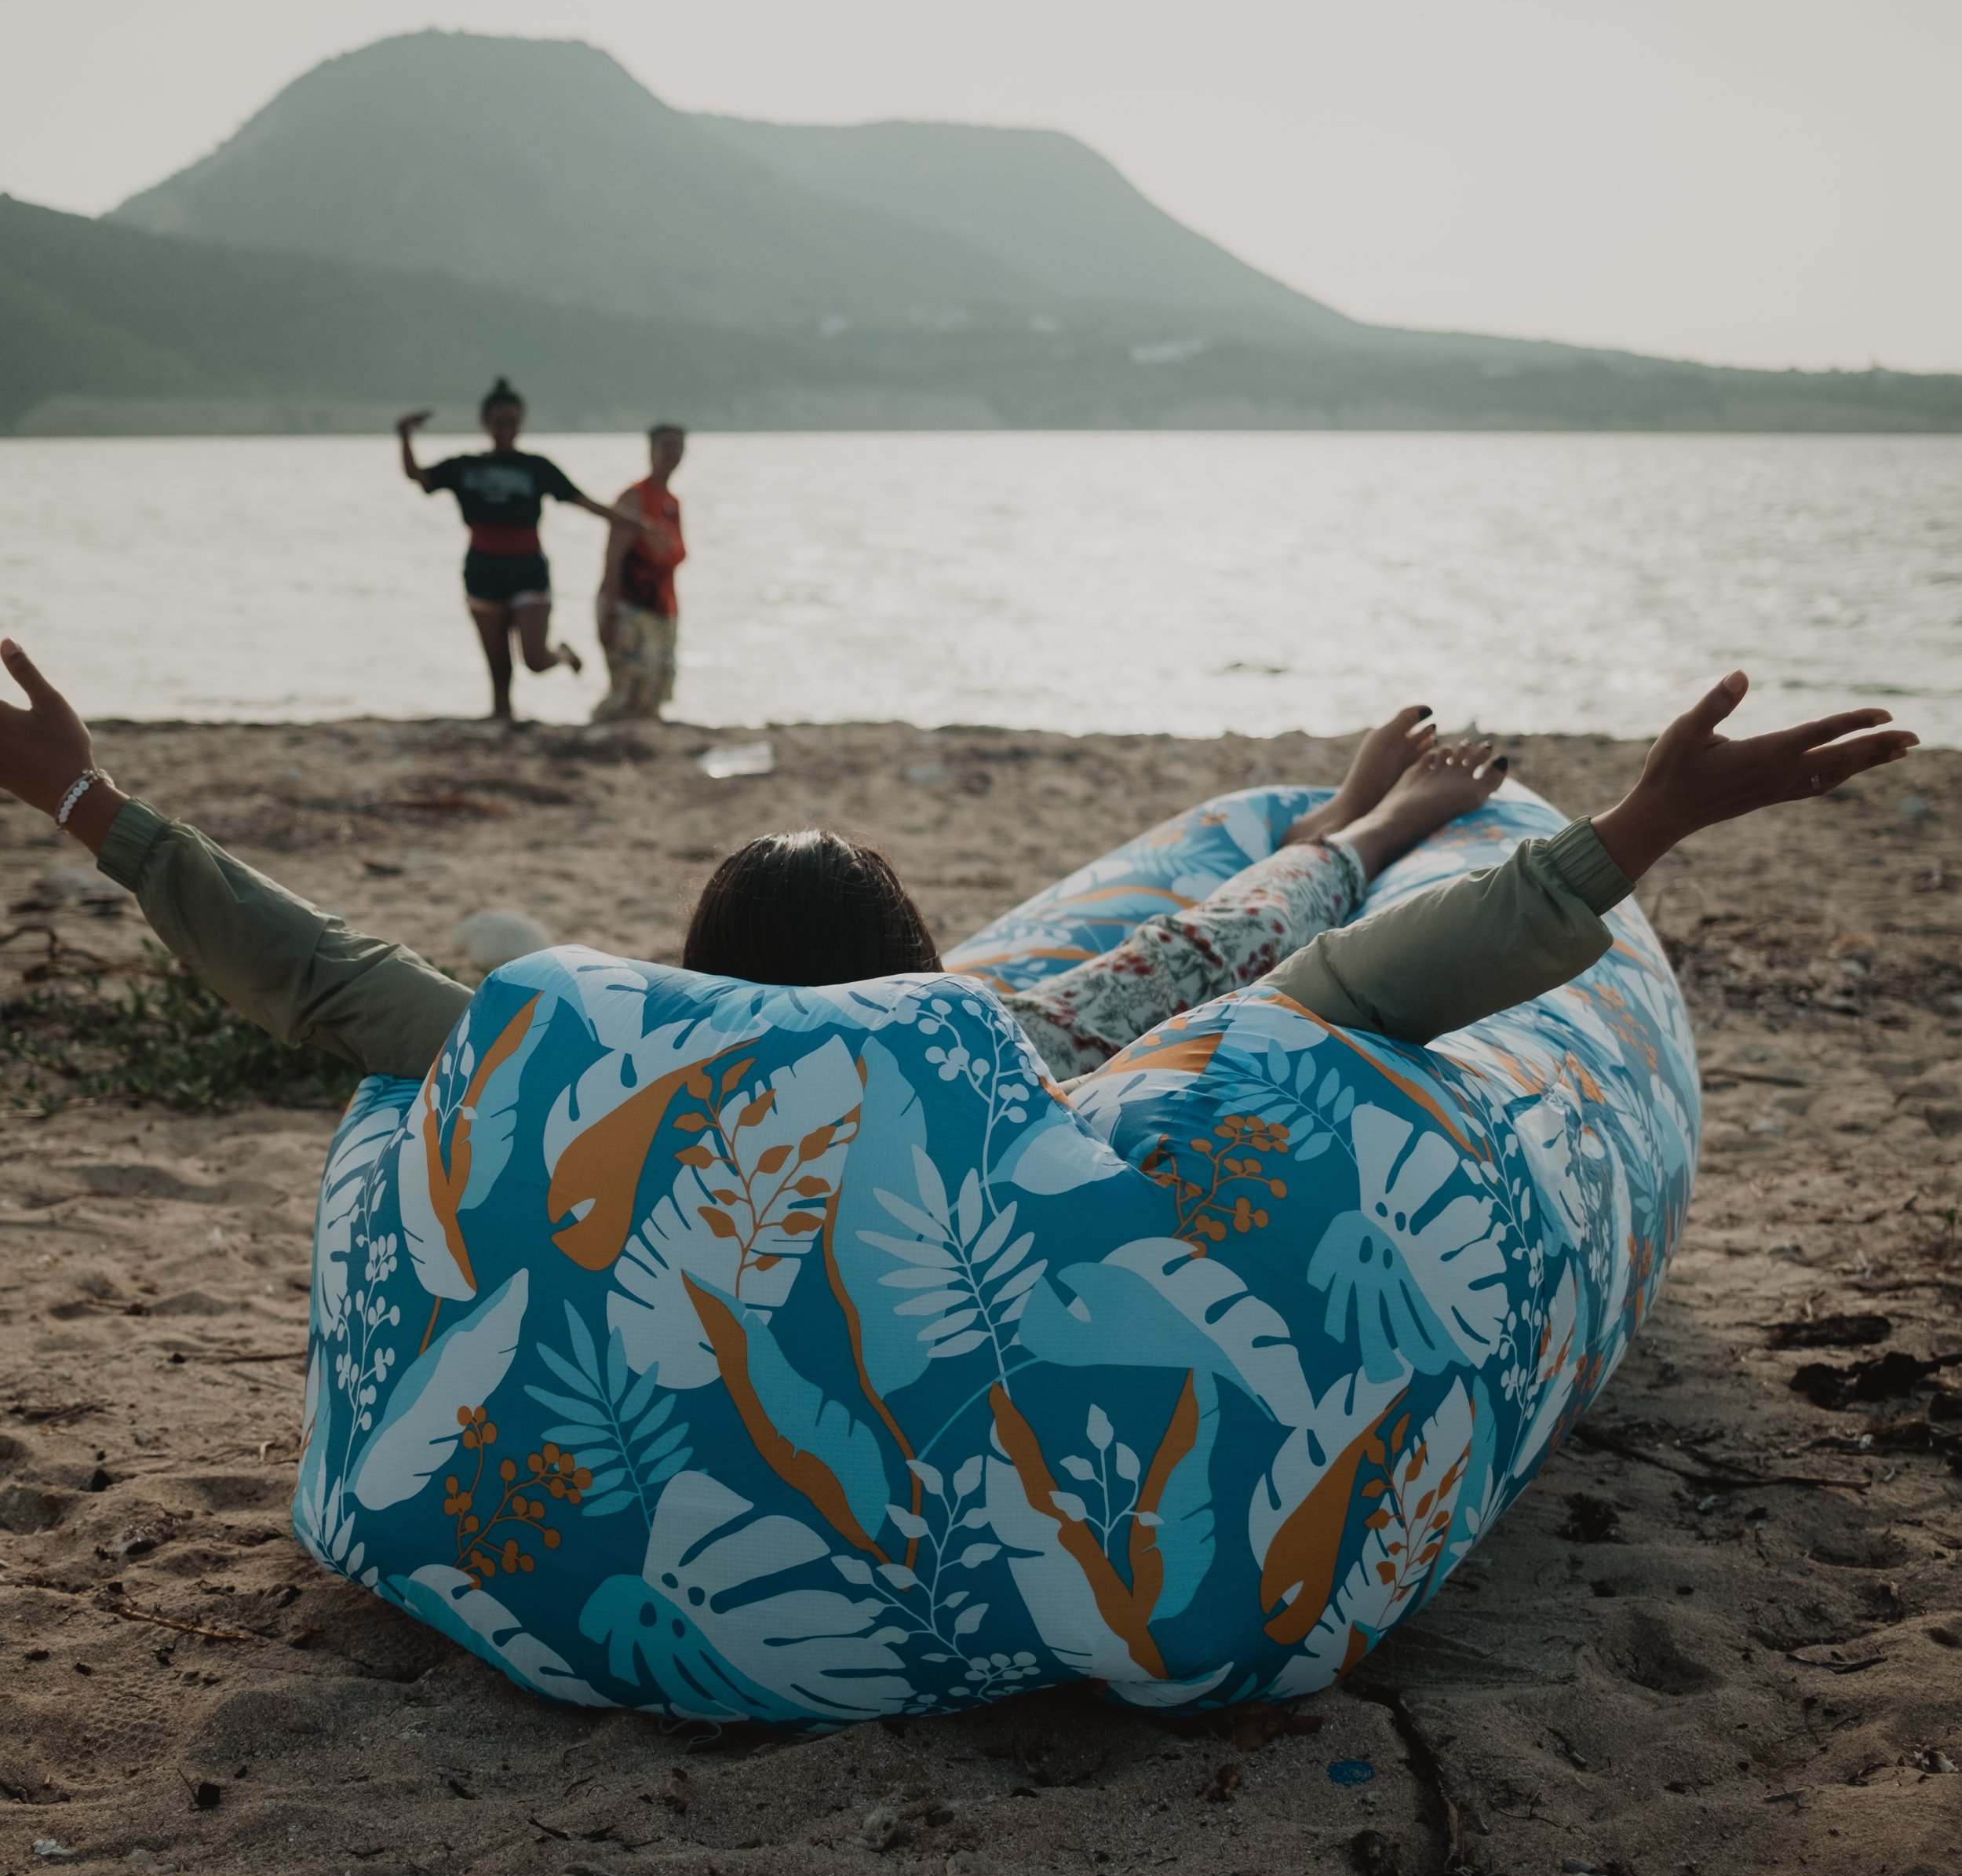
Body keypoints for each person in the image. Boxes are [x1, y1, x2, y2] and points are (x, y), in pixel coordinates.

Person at [0, 648, 1919, 1101]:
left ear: (699, 960)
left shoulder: (604, 1065)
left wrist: (90, 799)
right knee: (1253, 953)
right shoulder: (1010, 1036)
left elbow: (319, 979)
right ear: (928, 950)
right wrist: (1638, 820)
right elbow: (1332, 960)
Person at [396, 379, 628, 723]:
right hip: (483, 568)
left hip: (527, 568)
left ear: (521, 423)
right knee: (498, 666)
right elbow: (418, 476)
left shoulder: (536, 467)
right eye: (498, 421)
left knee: (534, 658)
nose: (505, 428)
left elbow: (584, 501)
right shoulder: (465, 467)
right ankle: (502, 720)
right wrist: (405, 438)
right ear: (485, 423)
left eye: (512, 421)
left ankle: (562, 655)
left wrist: (634, 523)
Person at [593, 424, 687, 726]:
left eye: (678, 446)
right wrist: (609, 612)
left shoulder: (671, 503)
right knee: (627, 688)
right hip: (628, 605)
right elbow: (612, 558)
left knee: (656, 689)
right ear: (651, 450)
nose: (672, 453)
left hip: (661, 608)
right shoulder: (634, 498)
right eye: (666, 446)